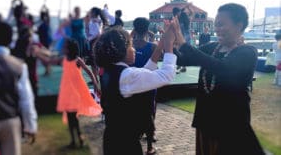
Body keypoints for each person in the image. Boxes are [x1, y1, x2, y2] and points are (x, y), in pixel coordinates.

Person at [174, 3, 264, 155]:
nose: (217, 29)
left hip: (231, 125)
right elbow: (183, 60)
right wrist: (170, 43)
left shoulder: (248, 52)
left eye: (221, 25)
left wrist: (183, 43)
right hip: (205, 121)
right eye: (216, 25)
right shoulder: (212, 47)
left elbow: (223, 69)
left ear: (239, 25)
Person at [94, 22, 179, 155]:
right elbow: (166, 75)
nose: (133, 49)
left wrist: (161, 43)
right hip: (126, 144)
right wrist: (169, 46)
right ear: (120, 50)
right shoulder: (127, 75)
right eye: (130, 45)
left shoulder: (112, 71)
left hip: (112, 139)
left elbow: (144, 72)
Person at [0, 22, 37, 155]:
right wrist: (31, 126)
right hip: (11, 122)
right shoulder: (19, 65)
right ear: (10, 40)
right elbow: (26, 100)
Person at [36, 38, 102, 149]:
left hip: (75, 92)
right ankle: (75, 139)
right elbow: (49, 61)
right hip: (67, 92)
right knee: (71, 117)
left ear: (69, 49)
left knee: (73, 117)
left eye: (65, 46)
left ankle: (78, 139)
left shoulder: (77, 60)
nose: (63, 48)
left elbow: (88, 71)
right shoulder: (64, 59)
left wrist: (95, 83)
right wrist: (38, 53)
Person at [131, 17, 158, 155]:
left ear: (135, 29)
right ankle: (149, 146)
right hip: (149, 84)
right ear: (147, 30)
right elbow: (160, 58)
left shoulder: (129, 46)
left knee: (135, 111)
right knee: (149, 112)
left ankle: (137, 137)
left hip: (134, 84)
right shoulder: (153, 46)